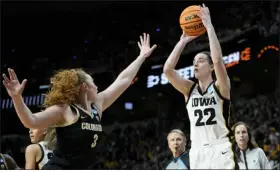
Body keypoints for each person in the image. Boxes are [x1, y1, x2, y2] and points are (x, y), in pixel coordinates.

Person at [2, 33, 156, 169]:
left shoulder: (97, 105)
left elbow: (123, 80)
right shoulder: (65, 110)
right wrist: (16, 97)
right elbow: (31, 121)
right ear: (84, 87)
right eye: (93, 83)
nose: (96, 86)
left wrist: (141, 57)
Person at [163, 4, 237, 169]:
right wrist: (182, 42)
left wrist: (209, 26)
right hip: (196, 151)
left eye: (201, 61)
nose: (195, 64)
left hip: (220, 147)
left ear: (211, 67)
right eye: (194, 62)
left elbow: (218, 60)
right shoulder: (189, 90)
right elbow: (167, 70)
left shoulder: (221, 86)